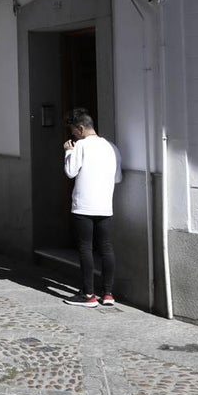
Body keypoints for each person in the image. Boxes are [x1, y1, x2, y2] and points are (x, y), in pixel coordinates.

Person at [62, 108, 122, 308]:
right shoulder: (112, 147)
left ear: (80, 128)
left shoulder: (81, 145)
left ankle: (88, 294)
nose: (73, 136)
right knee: (106, 248)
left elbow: (70, 172)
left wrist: (68, 152)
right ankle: (108, 294)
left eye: (73, 131)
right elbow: (117, 178)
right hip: (105, 204)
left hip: (83, 205)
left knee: (85, 248)